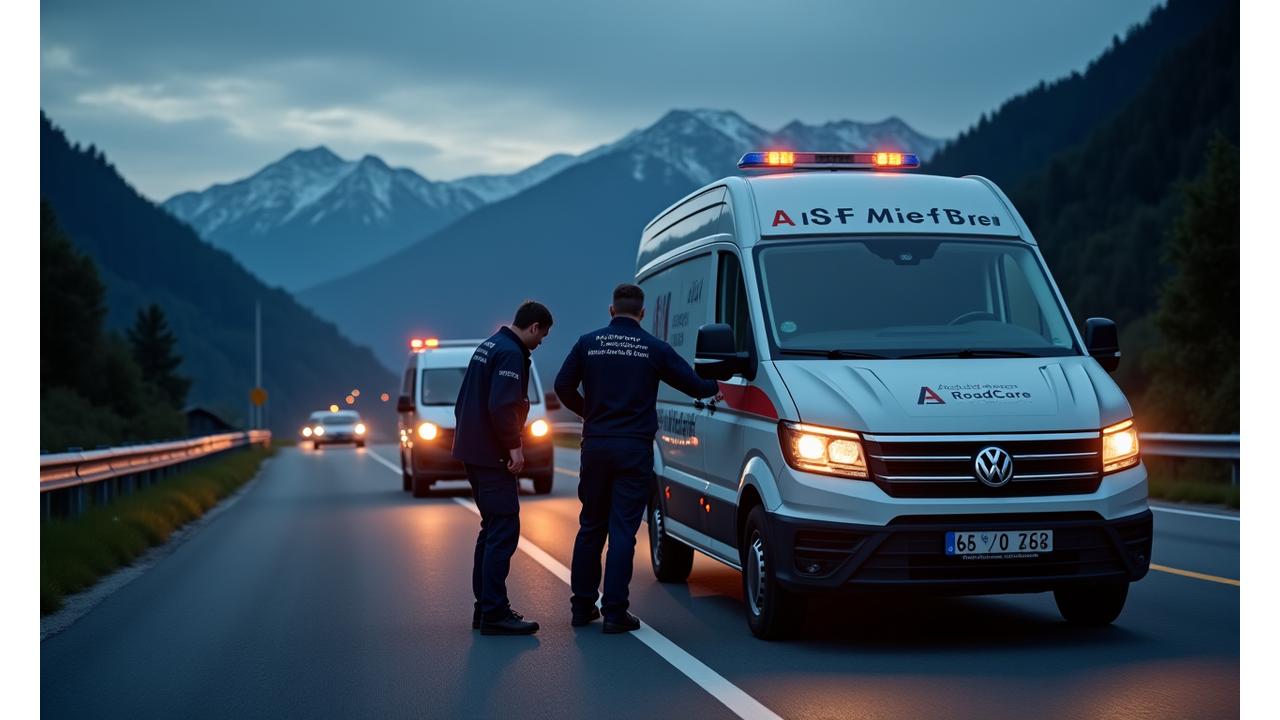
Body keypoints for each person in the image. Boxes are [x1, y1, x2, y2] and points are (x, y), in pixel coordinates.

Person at [554, 283, 720, 633]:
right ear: (642, 313)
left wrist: (589, 414)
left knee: (590, 527)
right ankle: (615, 613)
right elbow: (695, 385)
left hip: (596, 446)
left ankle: (582, 607)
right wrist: (716, 386)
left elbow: (562, 386)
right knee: (623, 532)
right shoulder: (653, 348)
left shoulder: (588, 343)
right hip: (633, 448)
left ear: (611, 311)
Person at [453, 300, 552, 635]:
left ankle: (485, 609)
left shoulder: (488, 345)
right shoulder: (510, 353)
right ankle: (495, 612)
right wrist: (513, 445)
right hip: (492, 456)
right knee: (504, 529)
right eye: (543, 336)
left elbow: (463, 401)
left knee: (491, 529)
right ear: (534, 326)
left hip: (473, 451)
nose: (541, 343)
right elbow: (502, 405)